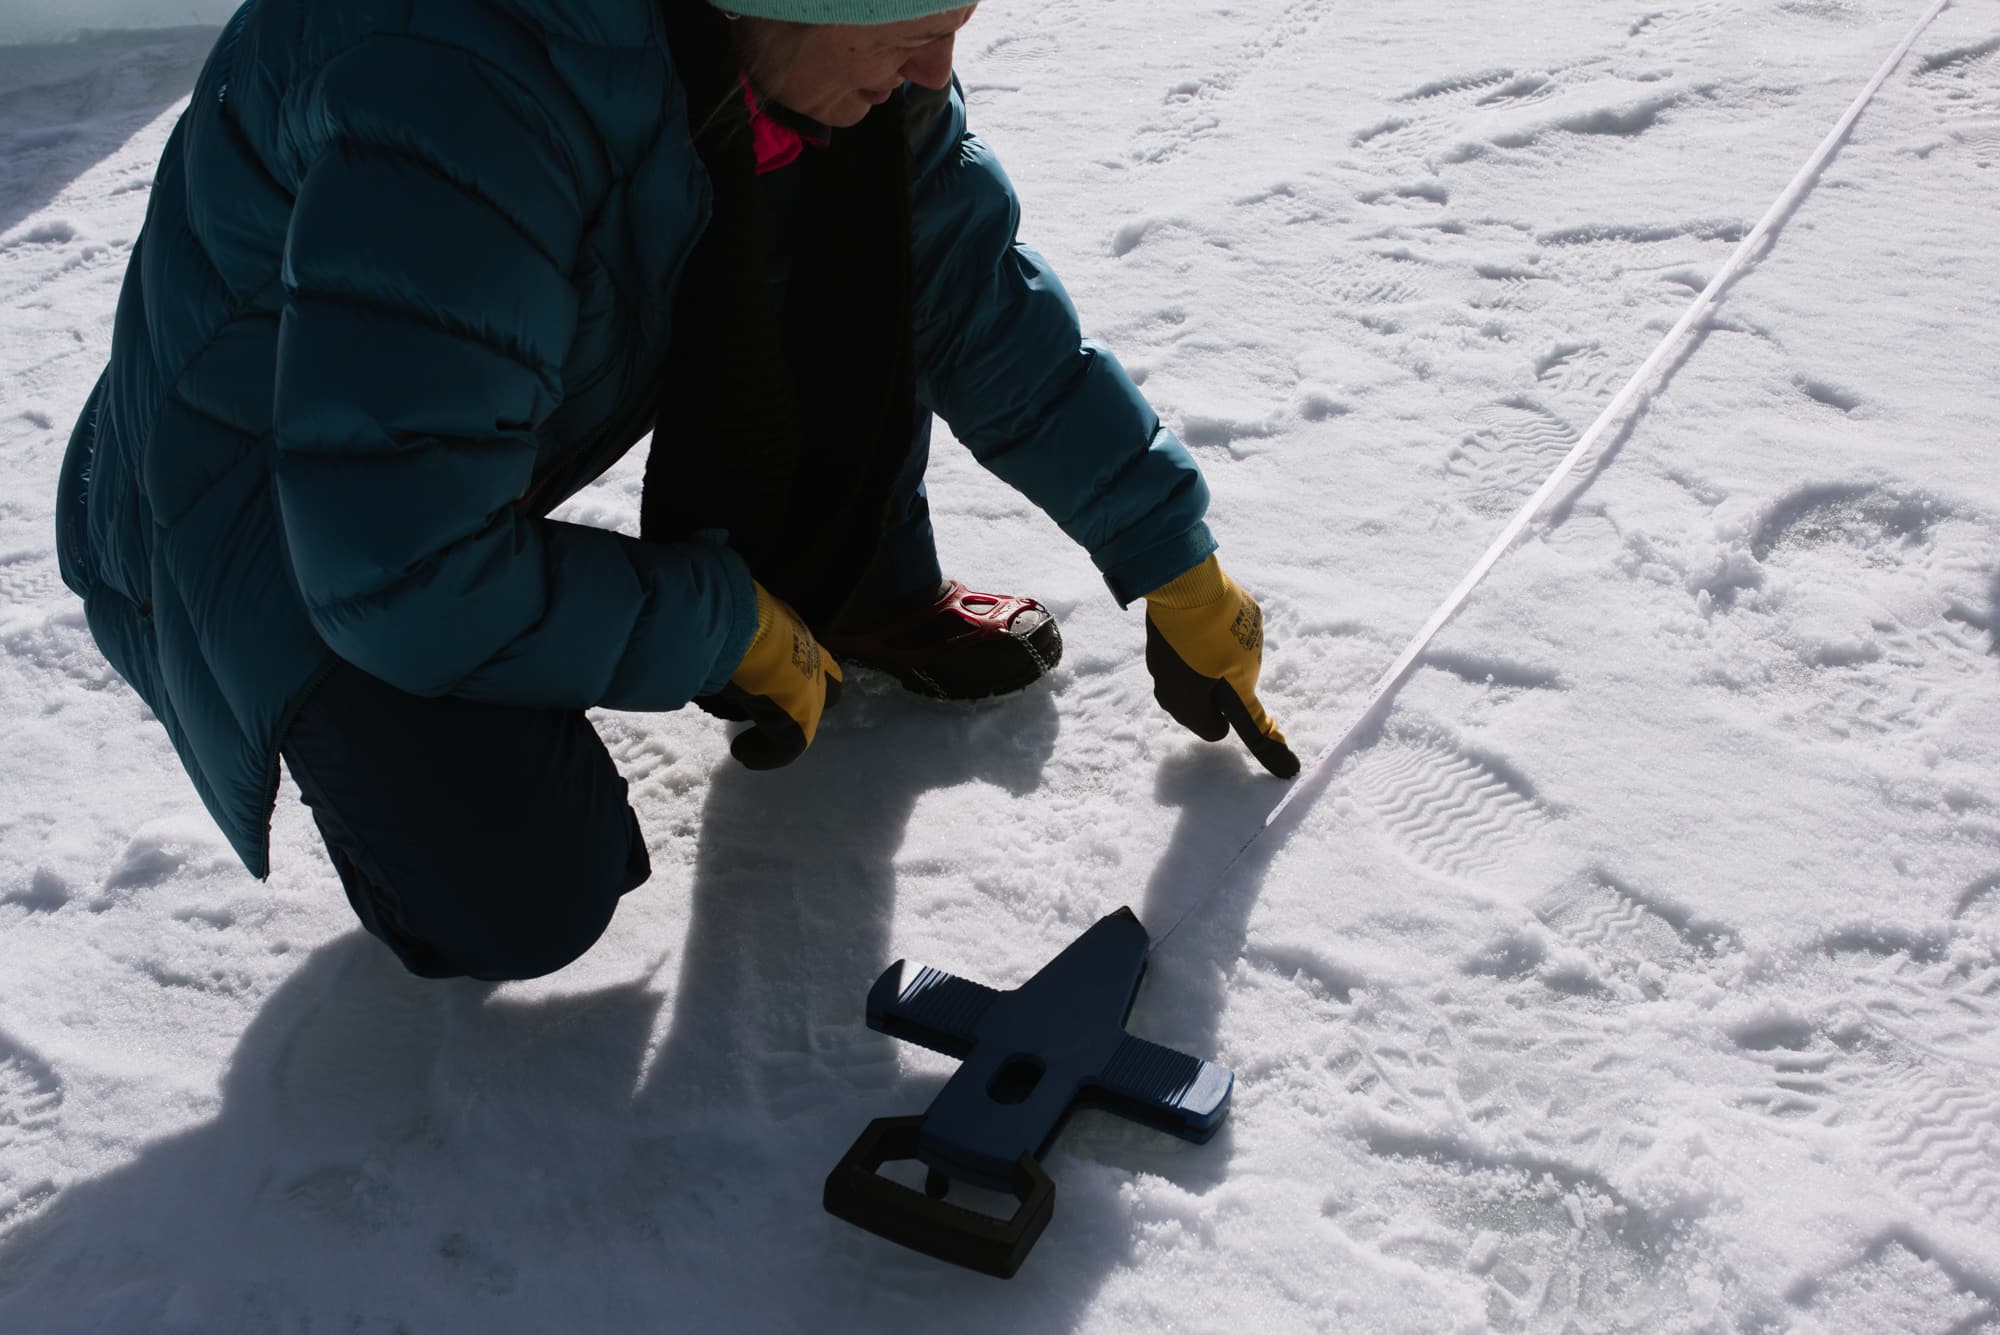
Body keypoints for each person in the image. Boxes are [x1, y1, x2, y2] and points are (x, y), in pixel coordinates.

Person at [55, 0, 1298, 982]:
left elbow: (965, 288)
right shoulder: (460, 78)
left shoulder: (779, 46)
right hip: (250, 502)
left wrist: (1168, 551)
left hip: (436, 433)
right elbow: (400, 570)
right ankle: (384, 779)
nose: (935, 68)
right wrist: (720, 622)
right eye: (910, 22)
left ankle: (861, 589)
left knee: (860, 212)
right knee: (522, 885)